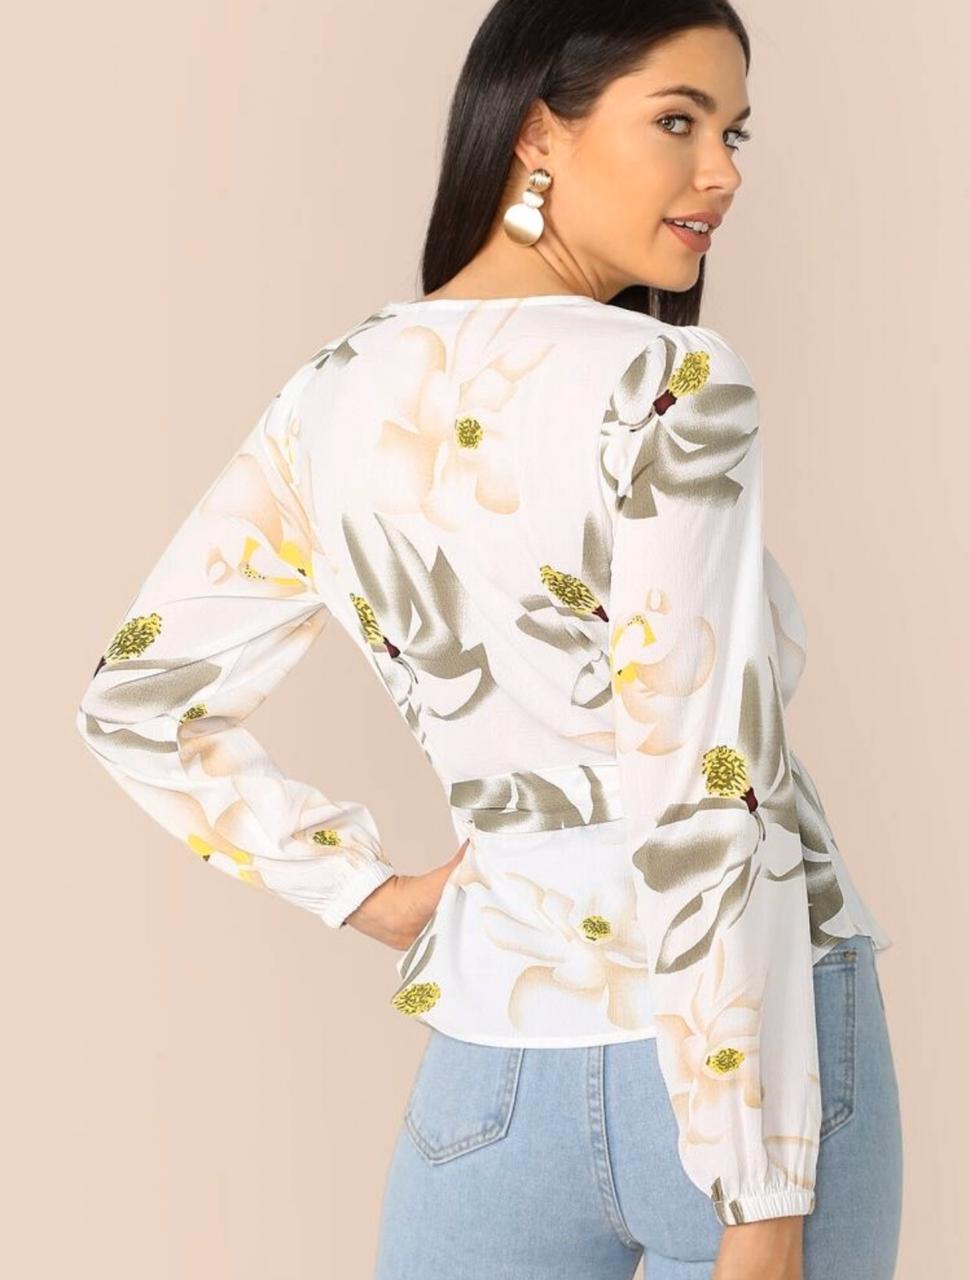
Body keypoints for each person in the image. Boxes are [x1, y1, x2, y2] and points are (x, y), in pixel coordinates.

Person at [74, 2, 903, 1277]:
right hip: (746, 1063)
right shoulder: (671, 382)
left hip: (496, 1038)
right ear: (537, 133)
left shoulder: (333, 391)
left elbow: (135, 699)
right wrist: (758, 1192)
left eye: (732, 132)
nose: (721, 172)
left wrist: (366, 890)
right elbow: (702, 775)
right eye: (676, 121)